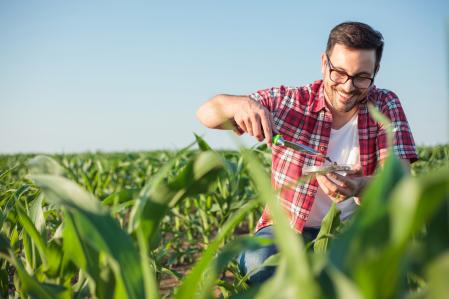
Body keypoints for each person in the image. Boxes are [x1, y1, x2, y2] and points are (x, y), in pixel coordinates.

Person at [196, 21, 418, 284]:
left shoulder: (384, 105)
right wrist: (241, 104)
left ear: (376, 71)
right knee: (257, 262)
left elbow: (398, 177)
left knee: (395, 268)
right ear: (324, 63)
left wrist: (358, 186)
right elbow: (206, 113)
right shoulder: (291, 103)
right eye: (339, 73)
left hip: (354, 229)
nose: (348, 87)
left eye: (361, 77)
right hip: (287, 228)